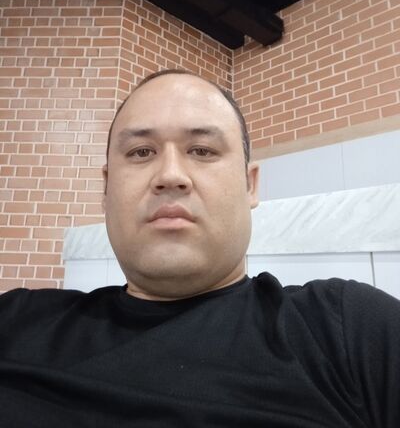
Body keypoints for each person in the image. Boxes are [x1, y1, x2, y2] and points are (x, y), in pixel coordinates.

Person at [0, 68, 399, 427]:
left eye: (202, 150)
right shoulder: (15, 322)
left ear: (250, 185)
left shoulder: (350, 330)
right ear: (106, 188)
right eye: (141, 152)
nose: (170, 175)